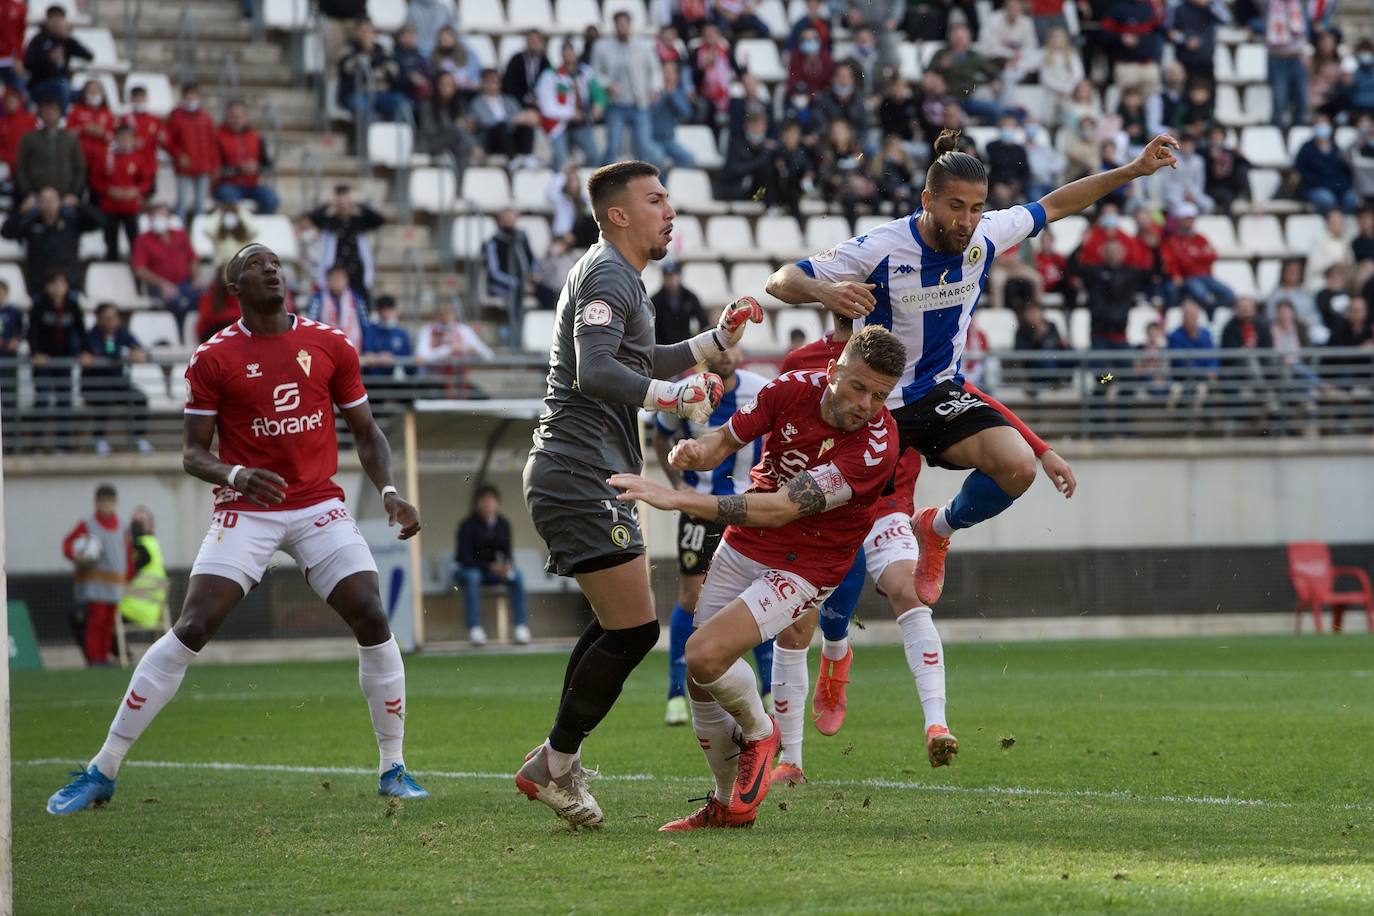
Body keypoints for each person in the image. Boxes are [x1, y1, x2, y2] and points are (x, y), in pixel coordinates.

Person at [45, 242, 431, 816]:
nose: (269, 269)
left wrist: (391, 494)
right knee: (194, 625)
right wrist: (237, 474)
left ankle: (393, 767)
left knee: (372, 615)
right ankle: (103, 768)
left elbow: (368, 433)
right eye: (254, 265)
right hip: (246, 508)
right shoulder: (213, 358)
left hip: (317, 503)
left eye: (274, 263)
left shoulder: (330, 344)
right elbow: (191, 455)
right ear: (234, 289)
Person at [765, 127, 1179, 607]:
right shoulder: (882, 246)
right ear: (927, 200)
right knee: (833, 547)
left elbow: (1058, 204)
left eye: (977, 207)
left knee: (1017, 468)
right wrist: (824, 290)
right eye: (955, 207)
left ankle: (937, 527)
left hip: (936, 395)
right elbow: (781, 280)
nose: (967, 221)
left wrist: (1132, 170)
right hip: (874, 407)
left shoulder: (987, 235)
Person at [515, 160, 763, 828]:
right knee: (635, 631)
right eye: (655, 200)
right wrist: (672, 396)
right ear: (618, 213)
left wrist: (712, 345)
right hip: (577, 468)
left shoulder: (621, 278)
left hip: (588, 470)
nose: (670, 211)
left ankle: (553, 763)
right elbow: (597, 370)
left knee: (614, 627)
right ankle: (557, 764)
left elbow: (633, 357)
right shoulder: (605, 273)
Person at [610, 326, 905, 830]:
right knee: (700, 681)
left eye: (880, 395)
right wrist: (695, 454)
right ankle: (728, 804)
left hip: (807, 564)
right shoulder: (786, 389)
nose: (866, 405)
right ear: (833, 373)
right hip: (745, 545)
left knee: (704, 654)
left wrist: (678, 498)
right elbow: (722, 443)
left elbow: (779, 510)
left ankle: (761, 730)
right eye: (858, 387)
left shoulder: (878, 445)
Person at [766, 318, 1073, 780]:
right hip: (826, 506)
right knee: (798, 627)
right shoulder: (802, 363)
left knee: (909, 592)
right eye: (846, 288)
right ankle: (798, 742)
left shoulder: (912, 358)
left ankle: (937, 724)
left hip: (888, 504)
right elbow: (780, 433)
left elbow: (967, 396)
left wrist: (1040, 448)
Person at [654, 346, 771, 726]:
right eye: (720, 347)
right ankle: (676, 694)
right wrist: (678, 487)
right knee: (690, 598)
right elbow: (660, 437)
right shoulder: (686, 392)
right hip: (699, 511)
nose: (728, 355)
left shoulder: (760, 389)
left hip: (745, 509)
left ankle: (768, 689)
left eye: (736, 345)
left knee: (759, 595)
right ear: (707, 353)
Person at [454, 484, 530, 646]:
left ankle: (520, 627)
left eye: (491, 500)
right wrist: (489, 566)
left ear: (497, 503)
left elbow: (507, 552)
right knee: (473, 576)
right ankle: (474, 628)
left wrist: (506, 566)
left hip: (493, 572)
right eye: (484, 500)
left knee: (517, 576)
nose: (487, 504)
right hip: (468, 571)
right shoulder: (467, 525)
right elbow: (464, 557)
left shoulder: (503, 523)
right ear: (477, 503)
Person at [60, 484, 125, 665]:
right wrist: (75, 555)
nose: (106, 506)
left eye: (110, 502)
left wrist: (127, 578)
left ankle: (104, 657)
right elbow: (68, 544)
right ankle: (94, 658)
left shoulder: (121, 526)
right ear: (96, 503)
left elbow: (125, 554)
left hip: (114, 586)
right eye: (102, 502)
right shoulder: (87, 525)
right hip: (94, 585)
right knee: (95, 623)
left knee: (108, 625)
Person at [80, 303, 152, 455]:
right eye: (107, 318)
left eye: (114, 317)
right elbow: (99, 354)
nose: (111, 321)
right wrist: (125, 355)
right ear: (99, 319)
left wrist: (138, 353)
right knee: (104, 398)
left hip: (117, 382)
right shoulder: (90, 335)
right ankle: (99, 440)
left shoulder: (122, 333)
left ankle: (138, 438)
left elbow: (139, 349)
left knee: (139, 398)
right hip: (95, 384)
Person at [593, 11, 663, 167]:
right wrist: (608, 84)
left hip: (639, 104)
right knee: (613, 148)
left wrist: (655, 88)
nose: (622, 27)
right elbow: (595, 73)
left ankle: (643, 187)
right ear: (614, 25)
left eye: (625, 23)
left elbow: (655, 70)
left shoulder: (643, 45)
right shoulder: (602, 47)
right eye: (619, 24)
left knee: (644, 148)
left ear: (630, 25)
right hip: (615, 105)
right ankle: (606, 187)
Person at [2, 186, 101, 294]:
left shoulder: (72, 222)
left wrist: (80, 205)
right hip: (39, 285)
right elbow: (7, 233)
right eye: (44, 200)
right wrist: (21, 212)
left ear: (60, 201)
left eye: (52, 200)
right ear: (38, 203)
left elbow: (100, 222)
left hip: (69, 283)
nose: (48, 204)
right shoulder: (31, 223)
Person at [26, 269, 83, 451]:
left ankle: (63, 444)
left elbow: (81, 331)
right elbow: (32, 332)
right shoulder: (40, 306)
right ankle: (37, 445)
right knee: (42, 400)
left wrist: (84, 351)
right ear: (47, 286)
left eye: (62, 284)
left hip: (64, 360)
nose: (58, 288)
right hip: (44, 360)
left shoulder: (72, 305)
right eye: (54, 283)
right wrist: (36, 353)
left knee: (64, 402)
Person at [307, 184, 385, 306]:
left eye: (346, 198)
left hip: (357, 272)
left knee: (360, 305)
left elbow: (379, 220)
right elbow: (313, 218)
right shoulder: (330, 221)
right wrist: (329, 204)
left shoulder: (359, 221)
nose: (343, 203)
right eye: (340, 199)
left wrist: (358, 204)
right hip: (335, 272)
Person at [537, 39, 605, 171]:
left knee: (594, 155)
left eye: (571, 50)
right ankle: (558, 185)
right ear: (560, 54)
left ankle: (586, 182)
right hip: (558, 124)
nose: (568, 54)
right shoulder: (550, 76)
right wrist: (570, 114)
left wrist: (598, 105)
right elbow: (547, 108)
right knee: (559, 157)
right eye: (565, 51)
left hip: (580, 123)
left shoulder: (585, 72)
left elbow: (598, 93)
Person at [131, 204, 199, 326]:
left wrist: (195, 279)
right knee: (176, 302)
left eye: (162, 215)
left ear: (169, 218)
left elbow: (192, 259)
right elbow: (140, 269)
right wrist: (163, 284)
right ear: (149, 218)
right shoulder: (143, 239)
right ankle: (179, 334)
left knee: (204, 297)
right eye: (155, 216)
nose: (159, 219)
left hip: (184, 284)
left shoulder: (180, 234)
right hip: (157, 287)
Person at [1161, 202, 1232, 314]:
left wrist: (1194, 255)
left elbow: (1213, 256)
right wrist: (1199, 255)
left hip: (1207, 277)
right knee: (1204, 296)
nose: (1190, 222)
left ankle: (1213, 313)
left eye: (1191, 219)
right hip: (1188, 278)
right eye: (1186, 219)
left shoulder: (1200, 238)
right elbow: (1175, 261)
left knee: (1229, 295)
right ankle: (1209, 316)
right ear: (1180, 220)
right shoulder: (1172, 241)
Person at [93, 123, 151, 261]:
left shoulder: (138, 157)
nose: (124, 141)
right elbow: (95, 179)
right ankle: (112, 266)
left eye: (128, 138)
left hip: (130, 207)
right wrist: (109, 190)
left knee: (134, 241)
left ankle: (136, 269)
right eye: (121, 138)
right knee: (110, 240)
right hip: (110, 206)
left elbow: (146, 181)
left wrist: (136, 191)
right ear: (116, 138)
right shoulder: (106, 156)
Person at [165, 83, 220, 224]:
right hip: (185, 167)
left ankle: (198, 233)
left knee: (200, 205)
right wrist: (178, 155)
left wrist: (214, 165)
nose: (191, 100)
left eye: (193, 97)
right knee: (182, 204)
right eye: (188, 97)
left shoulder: (205, 117)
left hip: (203, 166)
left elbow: (212, 143)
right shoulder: (176, 116)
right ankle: (179, 234)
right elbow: (167, 141)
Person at [22, 5, 92, 111]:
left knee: (86, 94)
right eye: (53, 19)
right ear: (47, 21)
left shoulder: (66, 41)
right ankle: (60, 120)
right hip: (40, 85)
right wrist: (48, 59)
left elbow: (89, 56)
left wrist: (69, 39)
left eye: (59, 19)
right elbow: (28, 64)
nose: (56, 23)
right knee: (62, 86)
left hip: (63, 84)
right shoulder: (38, 40)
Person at [215, 100, 278, 215]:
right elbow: (215, 170)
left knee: (272, 200)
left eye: (240, 117)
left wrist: (256, 167)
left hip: (252, 185)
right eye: (233, 117)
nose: (236, 120)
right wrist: (238, 169)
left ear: (246, 118)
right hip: (228, 185)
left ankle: (257, 228)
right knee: (230, 200)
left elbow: (268, 166)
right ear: (226, 118)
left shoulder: (256, 137)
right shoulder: (218, 137)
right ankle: (238, 230)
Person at [483, 208, 537, 342]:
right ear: (500, 221)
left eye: (512, 219)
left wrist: (533, 274)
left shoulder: (522, 237)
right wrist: (517, 283)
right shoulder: (493, 242)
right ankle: (516, 338)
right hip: (505, 285)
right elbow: (494, 272)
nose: (509, 222)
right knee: (515, 294)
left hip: (526, 282)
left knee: (551, 293)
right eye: (506, 219)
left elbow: (532, 258)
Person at [15, 98, 85, 201]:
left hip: (65, 197)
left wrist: (74, 194)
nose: (50, 112)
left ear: (60, 113)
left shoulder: (70, 138)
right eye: (46, 110)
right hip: (36, 197)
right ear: (40, 113)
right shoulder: (29, 138)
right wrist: (28, 193)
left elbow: (80, 168)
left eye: (53, 109)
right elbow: (21, 168)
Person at [336, 19, 406, 122]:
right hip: (357, 93)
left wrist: (369, 66)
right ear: (357, 33)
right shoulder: (348, 49)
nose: (367, 34)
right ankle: (372, 137)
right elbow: (349, 69)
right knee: (367, 112)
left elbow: (393, 71)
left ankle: (397, 137)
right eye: (363, 31)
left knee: (402, 104)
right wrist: (375, 67)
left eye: (370, 31)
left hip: (382, 93)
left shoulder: (383, 50)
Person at [117, 507, 169, 633]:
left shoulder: (140, 547)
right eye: (134, 522)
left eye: (140, 522)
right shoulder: (154, 545)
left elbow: (126, 573)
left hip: (131, 608)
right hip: (154, 612)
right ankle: (125, 652)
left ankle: (121, 652)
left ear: (150, 526)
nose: (136, 526)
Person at [1295, 116, 1359, 214]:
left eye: (1325, 123)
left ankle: (1342, 223)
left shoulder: (1336, 148)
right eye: (1319, 124)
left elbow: (1344, 171)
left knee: (1352, 198)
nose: (1322, 127)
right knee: (1326, 199)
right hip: (1316, 187)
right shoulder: (1306, 149)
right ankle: (1329, 222)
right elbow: (1301, 171)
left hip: (1338, 187)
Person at [1265, 0, 1307, 130]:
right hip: (1278, 59)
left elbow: (1305, 29)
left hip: (1296, 57)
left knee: (1301, 99)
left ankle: (1297, 131)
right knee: (1279, 100)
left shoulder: (1299, 5)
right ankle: (1276, 133)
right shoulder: (1269, 5)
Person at [307, 264, 369, 349]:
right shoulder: (318, 298)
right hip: (326, 345)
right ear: (328, 281)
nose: (337, 282)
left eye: (340, 278)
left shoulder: (356, 298)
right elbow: (311, 323)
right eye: (334, 278)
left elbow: (364, 323)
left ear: (346, 280)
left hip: (353, 346)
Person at [65, 78, 116, 180]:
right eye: (90, 90)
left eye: (96, 90)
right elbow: (67, 133)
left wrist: (102, 133)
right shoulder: (76, 110)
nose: (93, 93)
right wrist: (83, 129)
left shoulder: (108, 113)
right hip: (79, 158)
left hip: (100, 161)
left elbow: (114, 138)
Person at [651, 260, 707, 345]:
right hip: (662, 349)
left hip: (686, 348)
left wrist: (700, 344)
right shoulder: (655, 300)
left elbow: (703, 321)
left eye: (674, 276)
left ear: (680, 276)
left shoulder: (690, 297)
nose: (672, 280)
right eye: (668, 276)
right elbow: (651, 329)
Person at [0, 279, 21, 444]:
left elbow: (22, 331)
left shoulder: (14, 312)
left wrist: (16, 340)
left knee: (9, 400)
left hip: (8, 362)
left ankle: (11, 441)